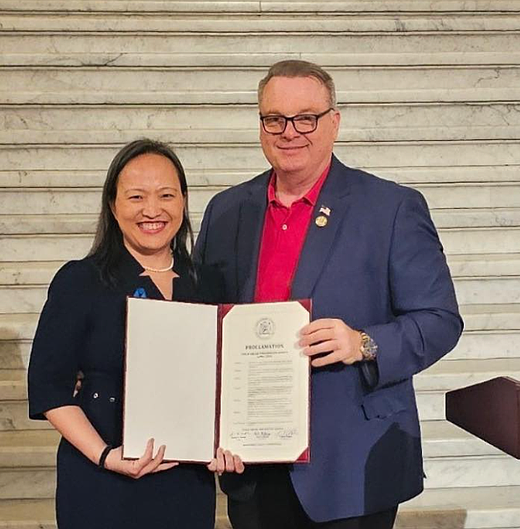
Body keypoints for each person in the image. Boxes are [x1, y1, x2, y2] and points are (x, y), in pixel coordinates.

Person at [194, 60, 463, 529]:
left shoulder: (391, 207)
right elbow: (201, 331)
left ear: (334, 122)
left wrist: (364, 342)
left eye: (306, 118)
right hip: (251, 465)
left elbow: (440, 319)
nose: (289, 132)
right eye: (274, 119)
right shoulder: (226, 211)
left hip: (351, 464)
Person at [27, 139, 242, 529]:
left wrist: (228, 442)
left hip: (186, 484)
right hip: (102, 482)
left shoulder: (209, 283)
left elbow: (227, 380)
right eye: (136, 196)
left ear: (183, 201)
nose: (152, 210)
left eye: (166, 195)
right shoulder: (81, 281)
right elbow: (48, 385)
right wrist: (106, 455)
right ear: (113, 205)